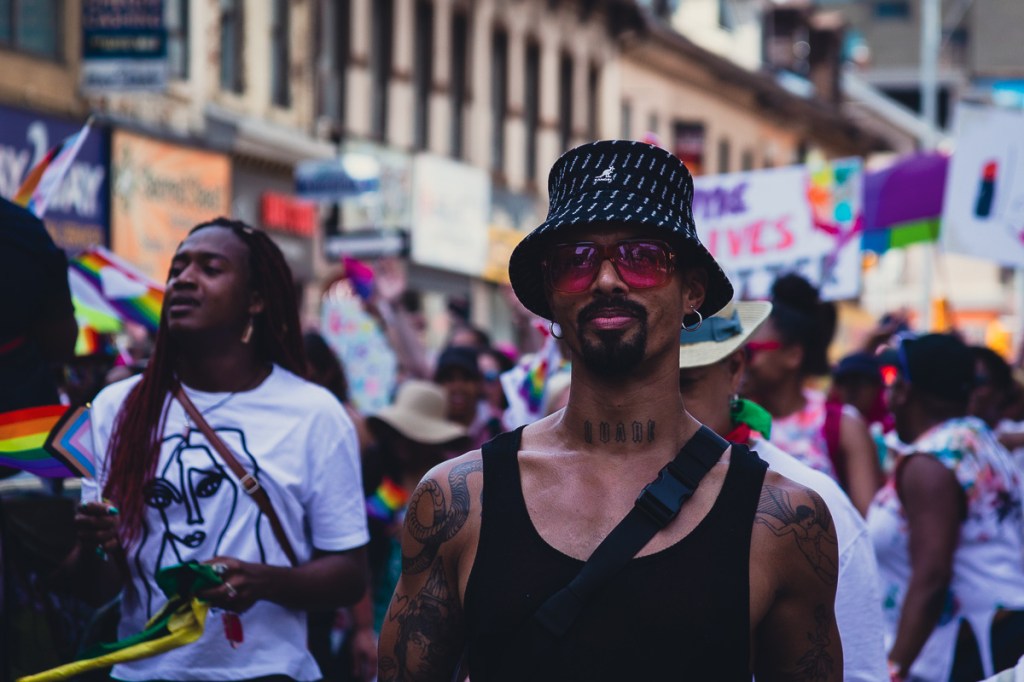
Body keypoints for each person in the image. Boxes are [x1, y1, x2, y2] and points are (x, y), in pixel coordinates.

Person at [378, 140, 842, 680]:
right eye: (576, 261)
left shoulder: (783, 522)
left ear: (692, 288)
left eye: (642, 257)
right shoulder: (459, 502)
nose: (605, 280)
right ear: (551, 294)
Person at [67, 218, 369, 681]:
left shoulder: (313, 414)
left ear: (256, 300)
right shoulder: (117, 407)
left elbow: (349, 575)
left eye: (210, 268)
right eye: (177, 268)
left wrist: (264, 581)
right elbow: (95, 588)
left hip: (267, 672)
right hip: (143, 674)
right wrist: (95, 546)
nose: (184, 279)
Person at [678, 299, 888, 682]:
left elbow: (857, 669)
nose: (658, 404)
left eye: (684, 384)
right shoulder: (595, 486)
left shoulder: (810, 499)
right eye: (639, 382)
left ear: (734, 370)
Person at [867, 334, 1024, 681]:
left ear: (906, 391)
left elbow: (933, 576)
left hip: (973, 650)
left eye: (893, 381)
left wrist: (893, 669)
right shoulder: (975, 438)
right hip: (1001, 632)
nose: (887, 395)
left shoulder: (932, 461)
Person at [346, 380, 470, 681]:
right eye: (399, 433)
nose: (402, 442)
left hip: (438, 625)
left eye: (412, 434)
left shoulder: (454, 484)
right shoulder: (376, 473)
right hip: (378, 615)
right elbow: (356, 554)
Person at [743, 273, 881, 515]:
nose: (740, 361)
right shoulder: (731, 422)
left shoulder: (842, 427)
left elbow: (866, 528)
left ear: (793, 355)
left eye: (751, 351)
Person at [434, 345, 503, 449]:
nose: (457, 387)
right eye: (449, 379)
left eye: (466, 378)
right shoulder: (428, 427)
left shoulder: (500, 427)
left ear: (478, 383)